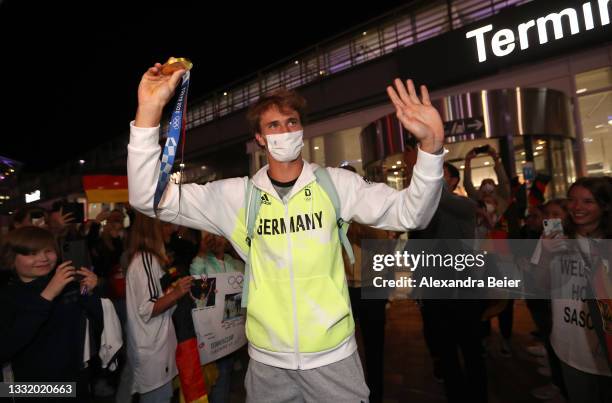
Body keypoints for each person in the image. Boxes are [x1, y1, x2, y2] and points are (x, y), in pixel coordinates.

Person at [128, 62, 445, 402]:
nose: (284, 130)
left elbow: (413, 213)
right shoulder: (237, 197)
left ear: (302, 130)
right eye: (273, 125)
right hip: (267, 365)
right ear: (260, 138)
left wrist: (431, 148)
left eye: (291, 122)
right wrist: (148, 112)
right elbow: (147, 197)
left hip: (334, 357)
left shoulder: (335, 185)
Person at [0, 226, 102, 402]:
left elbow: (91, 320)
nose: (43, 258)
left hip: (76, 379)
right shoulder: (7, 296)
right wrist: (47, 295)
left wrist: (87, 289)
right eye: (31, 253)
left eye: (48, 250)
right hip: (31, 387)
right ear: (11, 259)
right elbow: (5, 348)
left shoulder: (65, 284)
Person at [533, 177, 612, 403]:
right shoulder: (553, 236)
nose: (577, 207)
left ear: (605, 205)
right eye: (573, 200)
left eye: (588, 201)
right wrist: (547, 254)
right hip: (569, 348)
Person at [120, 211, 193, 403]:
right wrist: (178, 292)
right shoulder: (145, 259)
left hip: (157, 348)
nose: (172, 229)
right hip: (152, 351)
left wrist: (173, 291)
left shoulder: (149, 259)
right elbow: (148, 308)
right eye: (167, 225)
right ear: (154, 229)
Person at [190, 231, 244, 403]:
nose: (218, 240)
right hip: (211, 329)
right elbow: (195, 279)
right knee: (209, 377)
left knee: (226, 372)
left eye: (221, 235)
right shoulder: (202, 262)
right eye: (213, 237)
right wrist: (202, 251)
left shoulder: (234, 262)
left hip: (231, 328)